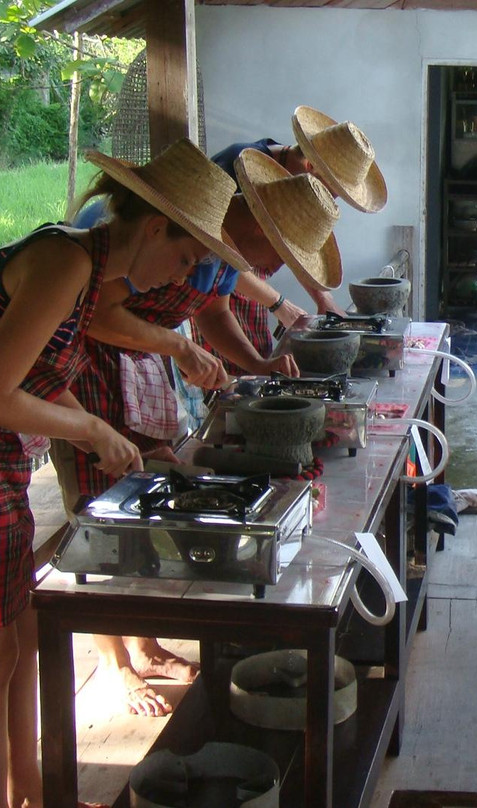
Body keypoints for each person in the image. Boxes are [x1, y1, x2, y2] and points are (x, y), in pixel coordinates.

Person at [0, 137, 246, 808]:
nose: (178, 277)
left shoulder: (86, 271)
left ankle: (30, 791)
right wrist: (92, 428)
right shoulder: (64, 262)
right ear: (156, 226)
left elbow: (38, 375)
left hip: (8, 460)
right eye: (185, 256)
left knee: (17, 640)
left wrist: (98, 429)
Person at [53, 147, 341, 717]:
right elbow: (98, 315)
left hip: (138, 364)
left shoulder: (219, 246)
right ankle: (112, 663)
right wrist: (176, 346)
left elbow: (210, 311)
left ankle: (144, 642)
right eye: (277, 251)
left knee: (144, 504)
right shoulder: (149, 232)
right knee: (101, 514)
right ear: (255, 222)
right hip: (79, 373)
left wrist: (255, 364)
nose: (276, 269)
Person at [197, 105, 387, 374]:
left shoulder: (291, 183)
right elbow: (218, 255)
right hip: (208, 298)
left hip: (232, 297)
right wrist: (278, 303)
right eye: (332, 191)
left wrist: (323, 298)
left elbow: (294, 245)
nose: (329, 199)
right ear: (310, 166)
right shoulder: (233, 169)